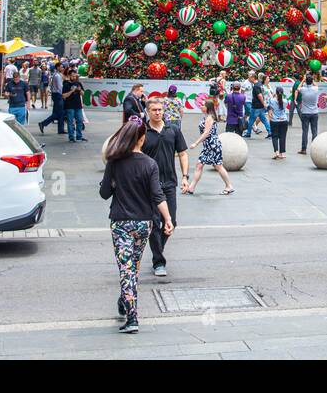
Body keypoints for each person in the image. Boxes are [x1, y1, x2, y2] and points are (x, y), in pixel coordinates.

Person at [100, 115, 174, 334]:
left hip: (121, 223)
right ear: (142, 139)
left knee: (126, 270)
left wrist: (111, 182)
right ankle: (125, 301)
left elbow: (105, 193)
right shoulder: (150, 164)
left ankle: (132, 318)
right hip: (144, 223)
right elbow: (157, 195)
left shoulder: (114, 162)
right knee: (133, 267)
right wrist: (168, 219)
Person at [141, 96, 188, 277]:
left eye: (160, 109)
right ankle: (158, 261)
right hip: (148, 185)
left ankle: (156, 250)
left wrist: (185, 176)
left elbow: (182, 154)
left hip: (169, 183)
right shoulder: (142, 131)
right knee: (154, 223)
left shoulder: (173, 130)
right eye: (154, 110)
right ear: (148, 111)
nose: (158, 113)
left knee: (172, 222)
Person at [186, 97, 234, 195]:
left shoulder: (209, 118)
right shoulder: (207, 116)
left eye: (203, 105)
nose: (201, 106)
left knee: (218, 166)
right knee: (199, 165)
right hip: (208, 145)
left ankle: (229, 186)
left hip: (213, 145)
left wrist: (196, 143)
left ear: (207, 107)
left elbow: (206, 133)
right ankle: (191, 187)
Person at [39, 64, 67, 135]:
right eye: (61, 67)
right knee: (59, 113)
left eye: (63, 67)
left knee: (59, 113)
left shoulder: (57, 75)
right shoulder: (57, 76)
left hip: (56, 95)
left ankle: (60, 129)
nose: (63, 68)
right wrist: (63, 95)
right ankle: (43, 123)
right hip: (58, 95)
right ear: (57, 67)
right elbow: (60, 87)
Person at [296, 74, 320, 153]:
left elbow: (298, 88)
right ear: (312, 81)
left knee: (305, 131)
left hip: (305, 113)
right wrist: (312, 80)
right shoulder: (315, 89)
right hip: (314, 112)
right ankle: (315, 148)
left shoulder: (303, 89)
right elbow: (316, 85)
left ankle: (304, 149)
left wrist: (303, 80)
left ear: (306, 82)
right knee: (314, 131)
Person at [63, 68, 86, 141]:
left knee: (80, 121)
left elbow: (83, 94)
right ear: (69, 76)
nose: (74, 78)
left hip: (78, 105)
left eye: (75, 76)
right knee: (70, 122)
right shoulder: (66, 84)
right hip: (69, 106)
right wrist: (71, 91)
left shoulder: (78, 83)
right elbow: (64, 96)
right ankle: (71, 137)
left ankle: (79, 136)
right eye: (72, 76)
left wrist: (80, 90)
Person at [268, 86, 290, 159]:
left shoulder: (272, 100)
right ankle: (282, 153)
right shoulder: (285, 101)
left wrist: (274, 96)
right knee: (282, 137)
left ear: (276, 92)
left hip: (274, 120)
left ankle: (276, 152)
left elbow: (269, 106)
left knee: (274, 136)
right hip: (284, 120)